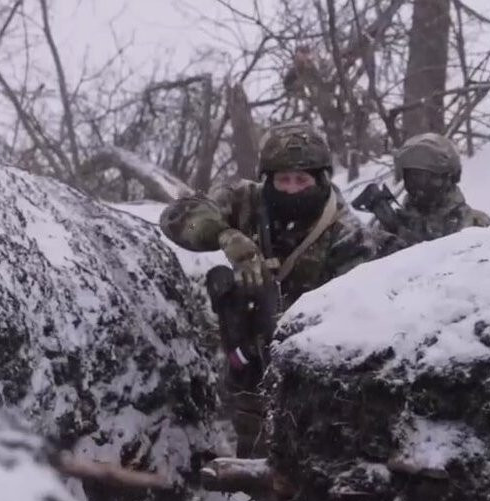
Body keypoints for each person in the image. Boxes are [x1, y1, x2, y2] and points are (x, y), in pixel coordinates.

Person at [158, 122, 376, 458]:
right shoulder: (245, 199)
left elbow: (355, 316)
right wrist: (226, 235)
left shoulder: (347, 233)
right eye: (283, 180)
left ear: (321, 179)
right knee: (250, 446)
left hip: (315, 367)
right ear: (267, 179)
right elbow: (176, 218)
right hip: (248, 356)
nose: (291, 189)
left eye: (301, 180)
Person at [372, 132, 490, 256]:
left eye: (427, 176)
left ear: (449, 177)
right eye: (412, 175)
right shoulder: (390, 227)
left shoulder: (475, 223)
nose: (418, 183)